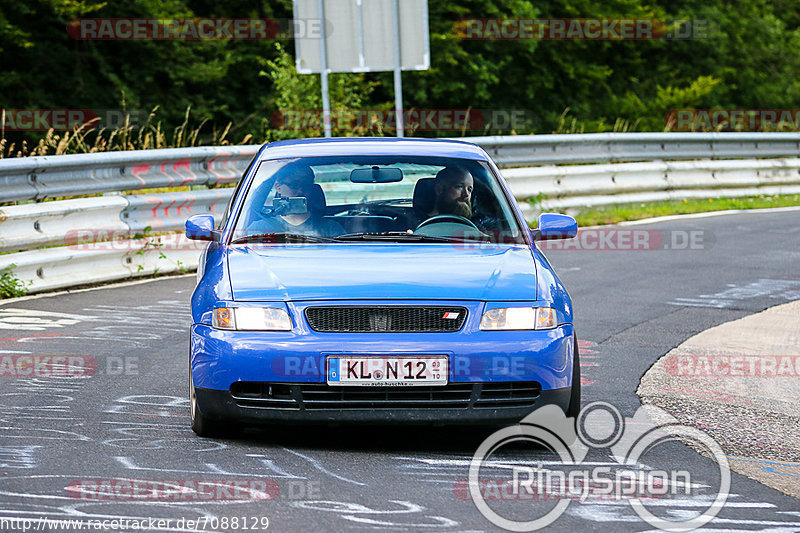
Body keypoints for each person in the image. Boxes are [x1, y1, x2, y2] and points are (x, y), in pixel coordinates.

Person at [248, 164, 344, 238]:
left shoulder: (331, 228)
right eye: (294, 185)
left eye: (305, 185)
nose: (300, 191)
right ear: (278, 187)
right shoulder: (259, 229)